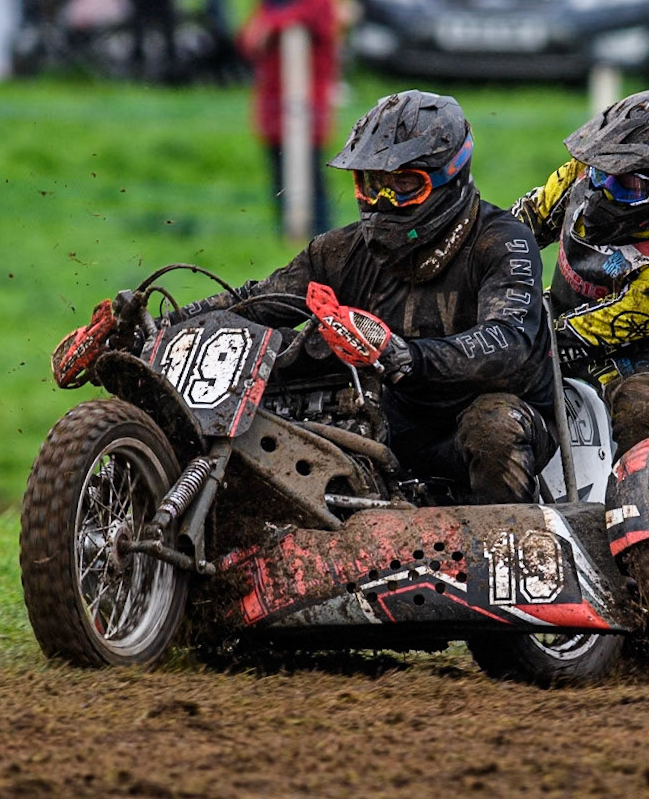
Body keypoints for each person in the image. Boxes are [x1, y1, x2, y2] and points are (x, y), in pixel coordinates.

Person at [135, 91, 557, 505]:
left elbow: (509, 342)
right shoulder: (338, 252)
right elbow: (258, 302)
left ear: (451, 176)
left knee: (491, 427)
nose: (383, 201)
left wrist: (405, 354)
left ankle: (507, 546)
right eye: (372, 184)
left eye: (403, 185)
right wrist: (153, 331)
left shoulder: (502, 242)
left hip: (495, 425)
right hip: (390, 425)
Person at [512, 89, 649, 455]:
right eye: (604, 170)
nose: (604, 189)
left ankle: (642, 500)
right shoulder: (590, 172)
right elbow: (521, 226)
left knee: (640, 409)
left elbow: (578, 337)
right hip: (561, 309)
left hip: (637, 347)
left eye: (627, 185)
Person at [239, 0, 340, 237]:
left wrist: (272, 26)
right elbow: (247, 39)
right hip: (273, 105)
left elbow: (311, 18)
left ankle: (322, 236)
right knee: (279, 175)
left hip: (308, 107)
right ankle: (289, 235)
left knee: (311, 175)